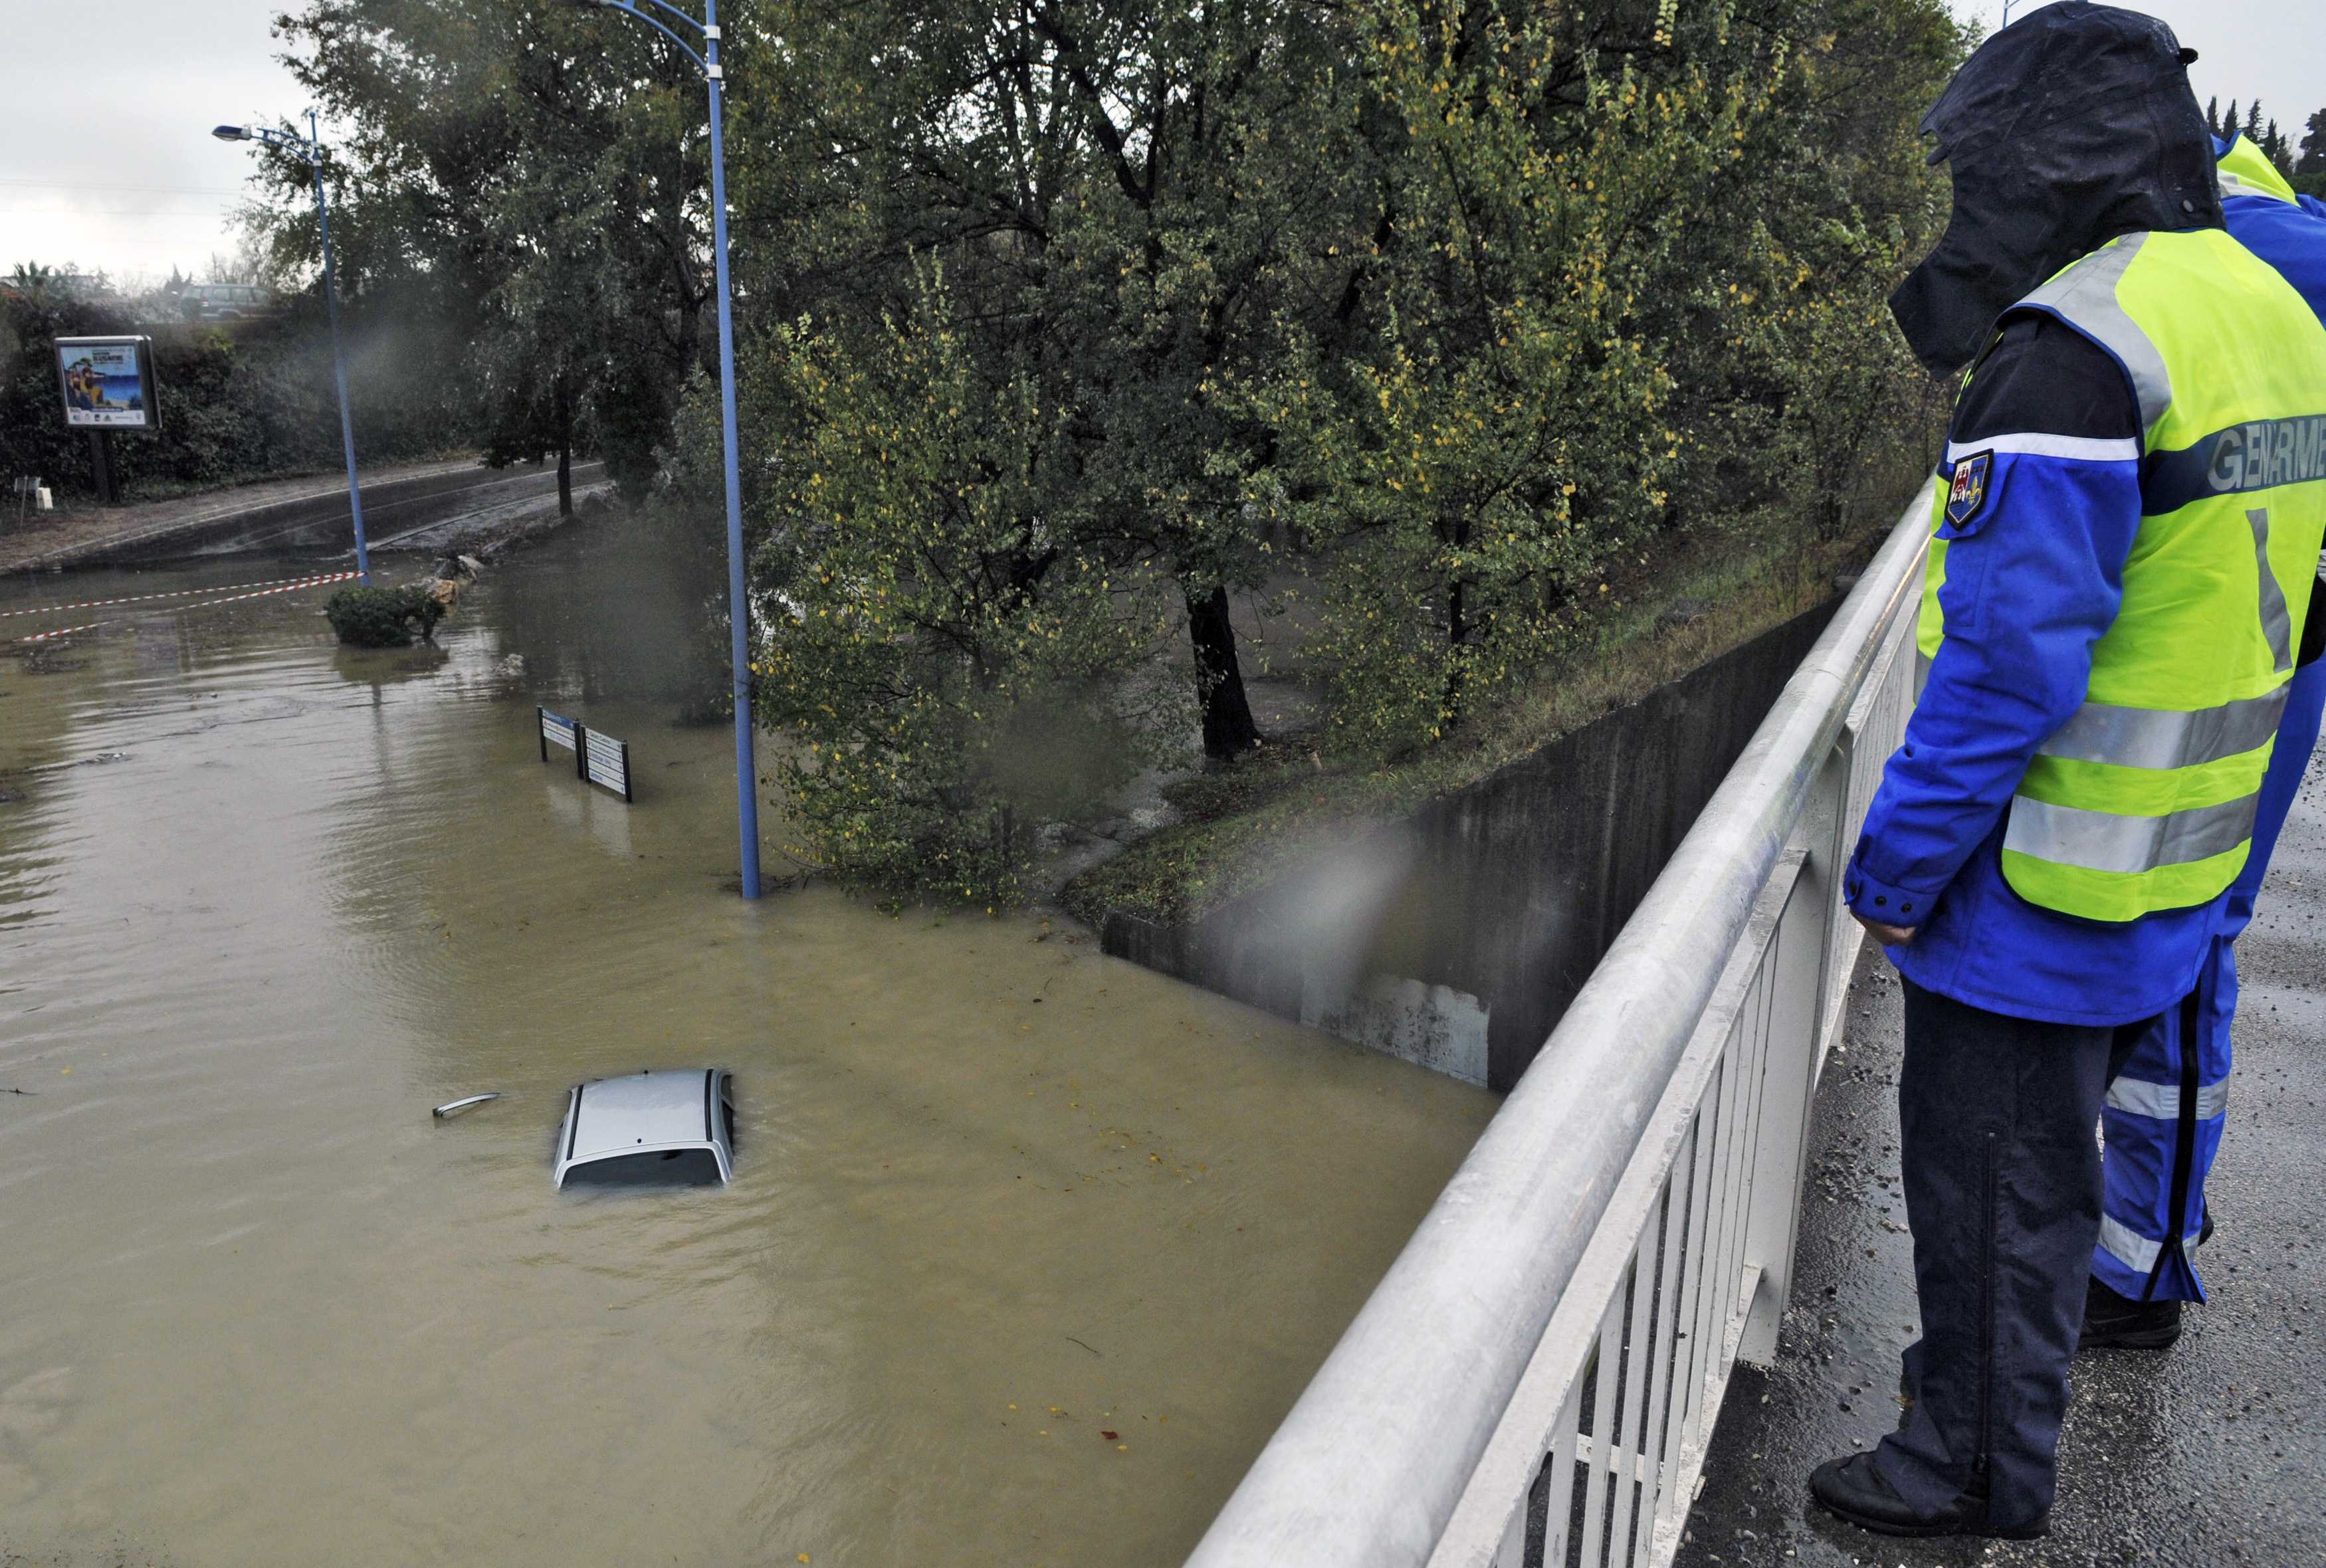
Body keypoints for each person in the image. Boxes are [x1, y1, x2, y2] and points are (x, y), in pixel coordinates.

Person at [1807, 2, 2326, 1540]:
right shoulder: (2262, 308)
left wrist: (1893, 874)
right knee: (2040, 1183)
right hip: (2177, 853)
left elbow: (2004, 670)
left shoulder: (2069, 353)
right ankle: (1986, 1423)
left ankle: (1965, 1463)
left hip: (2039, 886)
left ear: (2052, 161)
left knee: (1993, 1195)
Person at [2084, 129, 2326, 1349]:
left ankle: (2142, 1263)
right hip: (2269, 639)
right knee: (2183, 930)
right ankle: (2146, 1231)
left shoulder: (2224, 243)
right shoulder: (2282, 245)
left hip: (2228, 652)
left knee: (2185, 936)